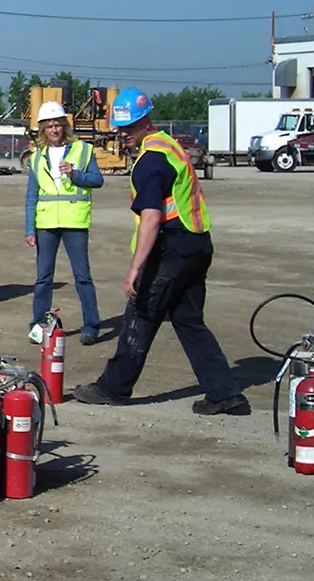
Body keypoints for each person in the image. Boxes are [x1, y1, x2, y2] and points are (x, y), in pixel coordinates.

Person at [72, 88, 248, 416]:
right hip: (196, 243)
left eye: (128, 127)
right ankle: (224, 393)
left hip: (173, 247)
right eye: (120, 128)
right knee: (188, 320)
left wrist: (135, 268)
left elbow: (152, 218)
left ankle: (113, 387)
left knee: (140, 313)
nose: (122, 134)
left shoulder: (149, 162)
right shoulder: (168, 146)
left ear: (145, 121)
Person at [25, 100, 104, 345]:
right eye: (49, 126)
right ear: (42, 130)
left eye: (58, 125)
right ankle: (38, 325)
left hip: (75, 221)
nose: (54, 130)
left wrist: (75, 174)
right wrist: (30, 228)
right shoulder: (37, 157)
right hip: (46, 221)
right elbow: (31, 195)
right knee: (43, 278)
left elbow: (97, 180)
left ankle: (91, 326)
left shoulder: (83, 150)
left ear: (65, 127)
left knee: (82, 276)